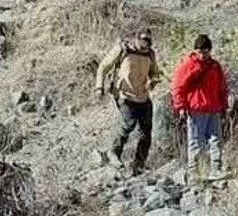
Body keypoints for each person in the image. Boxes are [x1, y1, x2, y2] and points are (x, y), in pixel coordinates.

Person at [95, 29, 161, 175]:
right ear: (136, 38)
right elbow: (103, 67)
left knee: (146, 131)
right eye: (144, 40)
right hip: (124, 95)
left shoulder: (150, 54)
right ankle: (114, 152)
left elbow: (155, 73)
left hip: (142, 96)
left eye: (148, 42)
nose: (146, 45)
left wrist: (152, 81)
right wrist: (99, 87)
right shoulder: (122, 49)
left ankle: (139, 163)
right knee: (129, 123)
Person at [172, 34, 230, 185]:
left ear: (210, 51)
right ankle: (195, 172)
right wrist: (181, 107)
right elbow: (178, 87)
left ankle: (215, 169)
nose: (202, 55)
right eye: (200, 52)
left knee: (216, 139)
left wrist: (224, 105)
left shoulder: (215, 66)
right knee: (196, 141)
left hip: (214, 108)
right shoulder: (189, 66)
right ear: (195, 50)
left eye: (205, 52)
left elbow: (222, 87)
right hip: (196, 108)